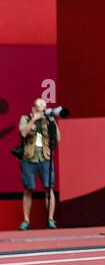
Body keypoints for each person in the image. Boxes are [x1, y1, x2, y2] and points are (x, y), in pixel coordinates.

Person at [17, 98, 58, 230]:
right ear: (34, 108)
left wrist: (52, 122)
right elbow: (23, 133)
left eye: (44, 108)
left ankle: (51, 219)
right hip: (29, 158)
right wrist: (34, 119)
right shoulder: (25, 118)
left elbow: (57, 138)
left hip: (45, 157)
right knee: (28, 189)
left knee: (48, 189)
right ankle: (26, 220)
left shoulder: (49, 120)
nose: (42, 111)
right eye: (40, 108)